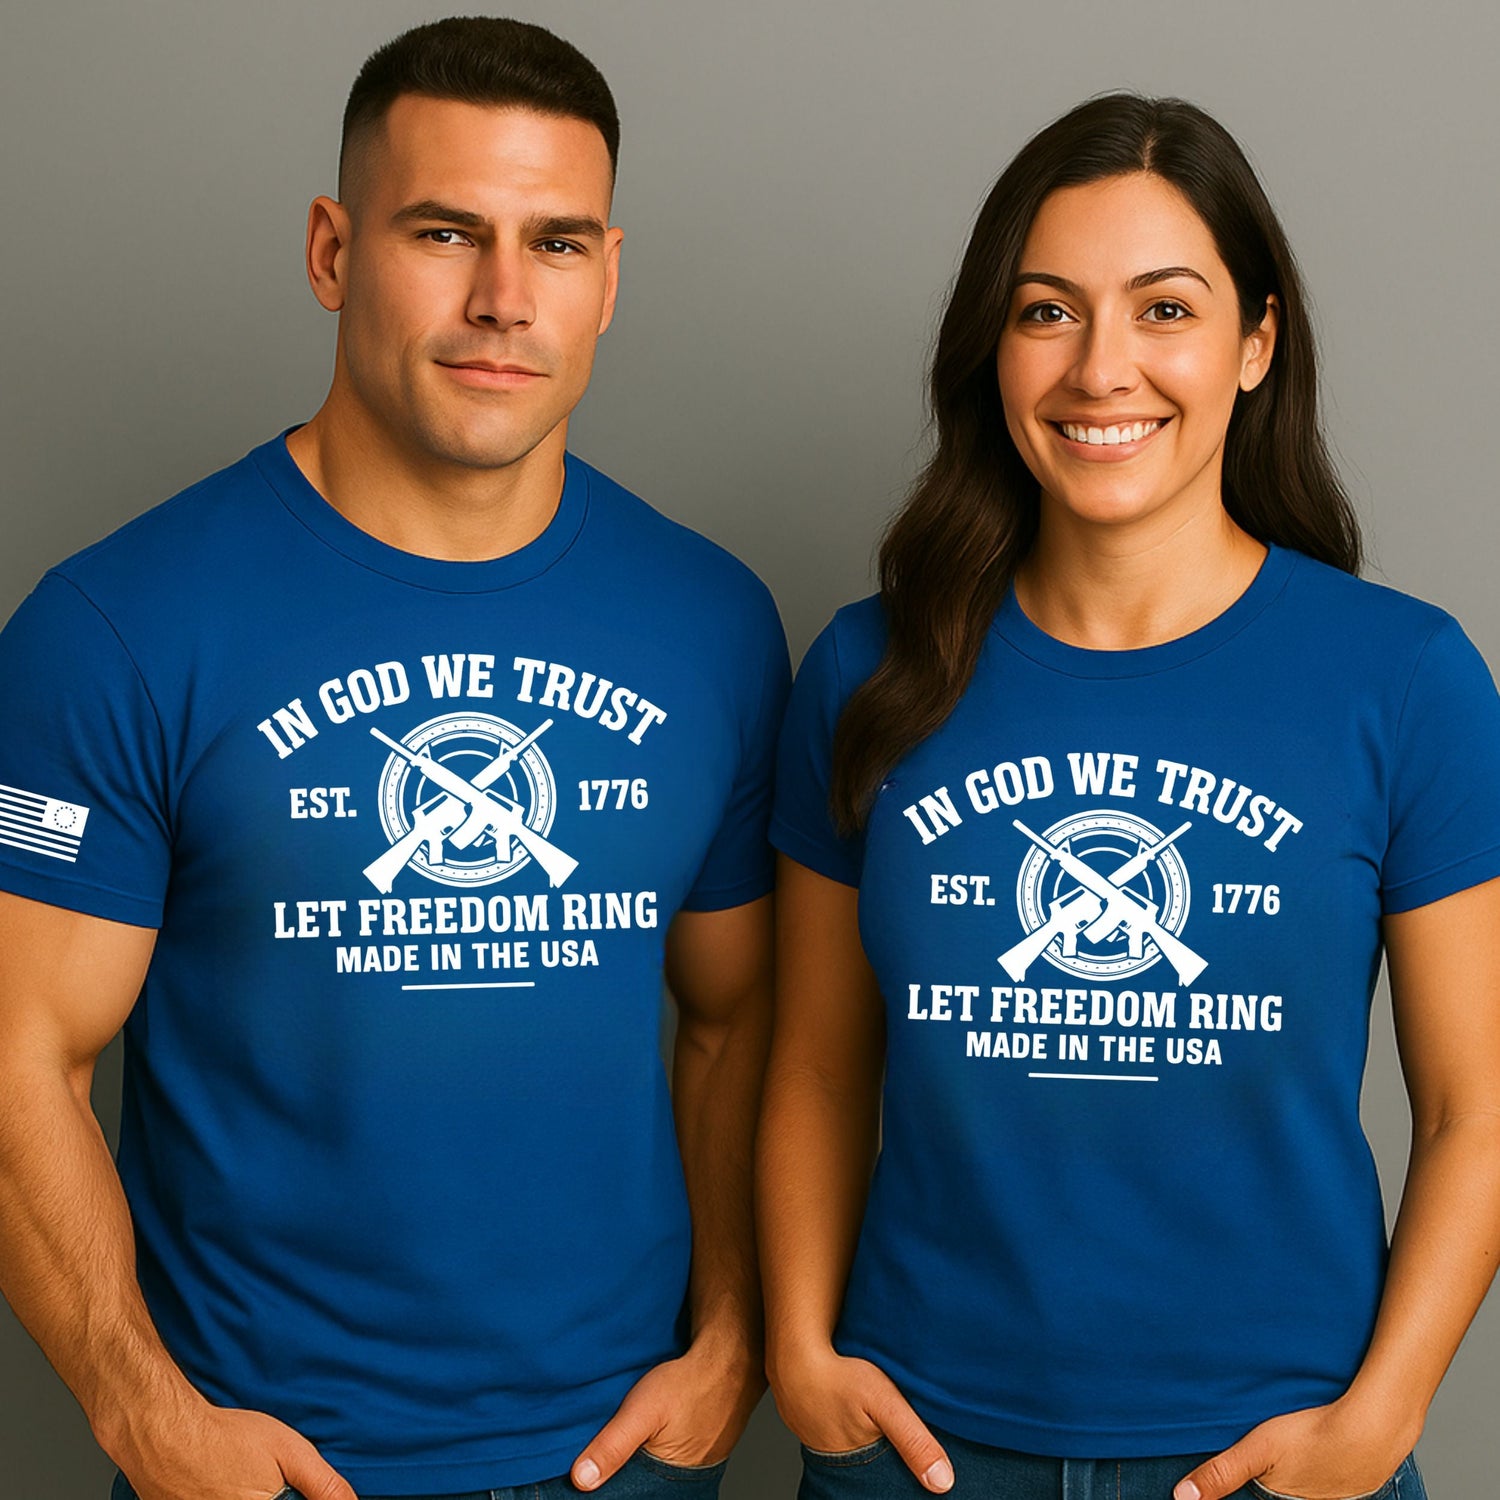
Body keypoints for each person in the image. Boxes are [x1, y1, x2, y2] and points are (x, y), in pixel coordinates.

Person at [0, 17, 787, 1500]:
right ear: (331, 251)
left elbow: (738, 1021)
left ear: (609, 278)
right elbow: (15, 1053)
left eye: (556, 245)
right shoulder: (115, 628)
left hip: (623, 1466)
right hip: (273, 1472)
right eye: (444, 232)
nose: (503, 299)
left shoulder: (713, 623)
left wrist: (733, 1334)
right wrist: (141, 1412)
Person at [761, 92, 1500, 1500]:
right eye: (1048, 312)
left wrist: (1383, 1413)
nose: (1102, 370)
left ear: (1256, 344)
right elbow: (813, 1064)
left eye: (1165, 310)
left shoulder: (1404, 678)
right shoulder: (870, 666)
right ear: (993, 346)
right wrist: (803, 1350)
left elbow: (1480, 1107)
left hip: (1272, 1454)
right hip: (915, 1449)